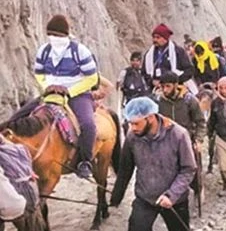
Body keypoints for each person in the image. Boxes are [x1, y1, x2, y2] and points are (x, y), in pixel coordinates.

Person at [111, 97, 196, 231]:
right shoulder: (132, 137)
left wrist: (171, 195)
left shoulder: (178, 135)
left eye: (136, 123)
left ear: (150, 118)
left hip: (175, 200)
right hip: (145, 199)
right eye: (130, 124)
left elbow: (188, 169)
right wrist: (116, 197)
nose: (132, 128)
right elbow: (125, 169)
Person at [33, 14, 99, 179]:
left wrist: (69, 91)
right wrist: (46, 86)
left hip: (77, 94)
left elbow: (92, 78)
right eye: (51, 35)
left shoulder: (80, 51)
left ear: (66, 36)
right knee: (19, 117)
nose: (54, 39)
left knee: (88, 125)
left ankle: (85, 161)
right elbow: (38, 73)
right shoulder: (44, 50)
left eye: (57, 36)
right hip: (50, 93)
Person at [155, 72, 206, 148]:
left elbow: (200, 121)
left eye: (168, 86)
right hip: (165, 143)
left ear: (176, 85)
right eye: (162, 87)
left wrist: (198, 140)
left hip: (186, 141)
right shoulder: (157, 101)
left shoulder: (189, 100)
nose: (165, 90)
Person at [141, 24, 195, 94]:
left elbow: (189, 70)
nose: (155, 40)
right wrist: (152, 81)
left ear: (165, 38)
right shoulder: (149, 54)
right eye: (153, 37)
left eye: (158, 37)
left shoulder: (178, 51)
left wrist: (174, 81)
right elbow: (144, 73)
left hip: (176, 90)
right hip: (155, 90)